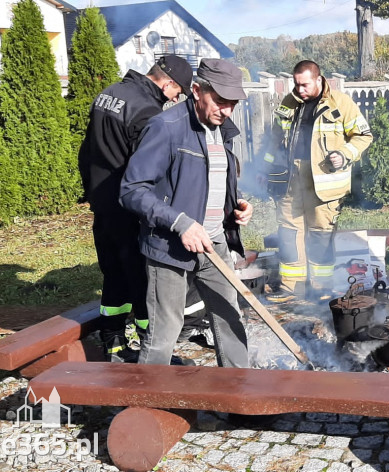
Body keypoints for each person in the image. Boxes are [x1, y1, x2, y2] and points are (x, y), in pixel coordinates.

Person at [119, 58, 254, 367]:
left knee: (229, 317)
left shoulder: (224, 128)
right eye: (219, 101)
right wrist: (181, 223)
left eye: (232, 103)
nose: (227, 110)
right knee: (165, 330)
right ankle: (149, 404)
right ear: (196, 91)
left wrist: (236, 207)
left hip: (215, 242)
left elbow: (212, 178)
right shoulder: (165, 127)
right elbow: (131, 190)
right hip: (168, 247)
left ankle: (240, 396)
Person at [78, 55, 205, 363]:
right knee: (143, 280)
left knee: (113, 272)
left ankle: (113, 342)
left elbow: (87, 149)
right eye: (179, 92)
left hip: (103, 200)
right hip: (128, 207)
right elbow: (149, 170)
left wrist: (92, 192)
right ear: (168, 83)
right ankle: (153, 348)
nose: (177, 99)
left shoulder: (108, 94)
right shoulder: (147, 111)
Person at [262, 60, 373, 302]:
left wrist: (344, 154)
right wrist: (267, 165)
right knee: (289, 233)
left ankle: (321, 289)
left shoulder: (341, 103)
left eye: (304, 85)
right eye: (296, 84)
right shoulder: (289, 103)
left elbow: (363, 136)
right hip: (291, 179)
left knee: (320, 235)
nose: (299, 90)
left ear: (318, 79)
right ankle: (291, 287)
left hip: (324, 181)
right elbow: (274, 138)